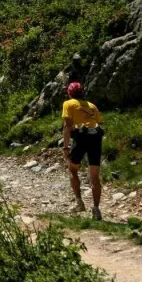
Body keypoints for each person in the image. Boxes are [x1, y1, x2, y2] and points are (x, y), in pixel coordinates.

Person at [62, 82, 104, 221]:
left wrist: (66, 147)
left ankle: (79, 202)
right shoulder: (92, 105)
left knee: (73, 169)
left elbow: (68, 126)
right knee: (94, 176)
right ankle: (96, 210)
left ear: (69, 93)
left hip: (80, 138)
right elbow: (98, 121)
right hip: (95, 139)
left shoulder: (68, 104)